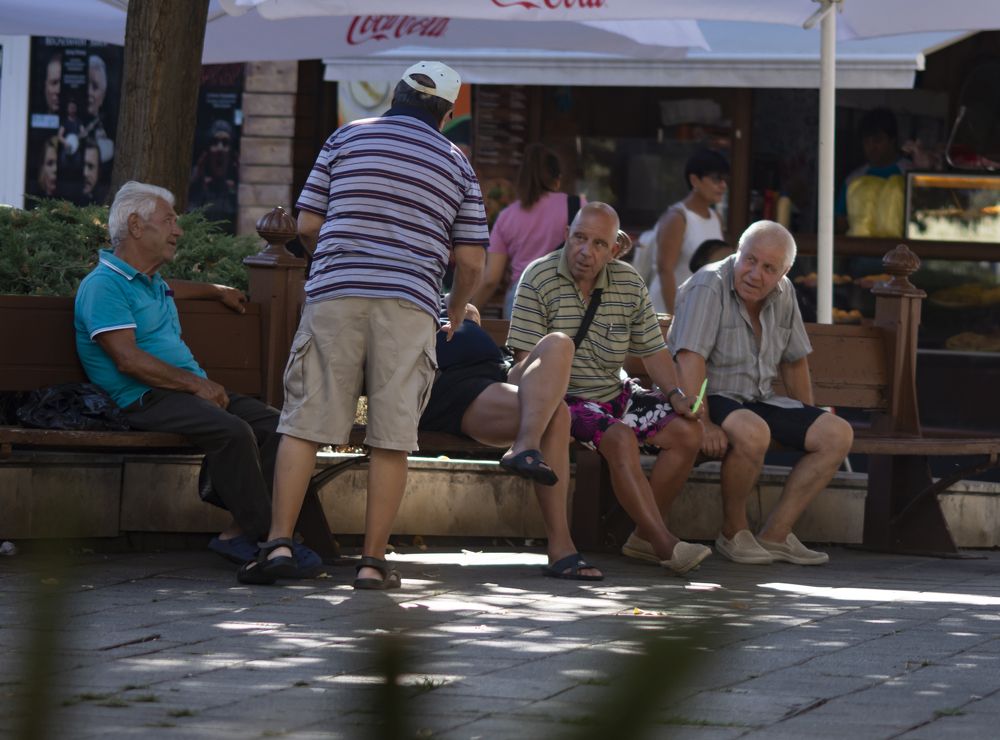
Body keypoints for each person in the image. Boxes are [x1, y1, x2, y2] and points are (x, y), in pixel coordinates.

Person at [243, 61, 488, 589]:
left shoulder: (346, 137)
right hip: (409, 305)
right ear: (445, 114)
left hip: (335, 293)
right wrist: (454, 306)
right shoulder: (457, 165)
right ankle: (373, 563)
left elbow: (308, 223)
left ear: (395, 96)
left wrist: (335, 256)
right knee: (392, 437)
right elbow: (470, 261)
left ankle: (279, 544)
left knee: (303, 423)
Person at [73, 181, 320, 575]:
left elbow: (172, 290)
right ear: (136, 226)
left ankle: (240, 533)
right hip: (142, 398)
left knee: (280, 426)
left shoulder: (148, 281)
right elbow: (128, 360)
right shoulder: (103, 286)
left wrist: (214, 290)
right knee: (234, 431)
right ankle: (269, 541)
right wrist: (197, 384)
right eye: (169, 220)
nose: (178, 230)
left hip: (182, 392)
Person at [509, 203, 709, 576]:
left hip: (614, 391)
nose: (586, 251)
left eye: (599, 244)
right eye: (580, 238)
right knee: (618, 437)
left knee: (688, 432)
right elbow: (527, 362)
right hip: (562, 399)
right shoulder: (538, 276)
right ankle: (664, 542)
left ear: (614, 249)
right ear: (567, 233)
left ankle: (643, 536)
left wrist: (677, 396)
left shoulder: (629, 282)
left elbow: (653, 351)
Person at [668, 220, 854, 566]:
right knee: (753, 432)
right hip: (712, 393)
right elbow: (688, 358)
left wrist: (806, 419)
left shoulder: (784, 293)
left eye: (769, 268)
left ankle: (776, 535)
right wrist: (703, 422)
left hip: (759, 398)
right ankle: (733, 532)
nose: (755, 273)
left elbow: (795, 362)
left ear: (783, 271)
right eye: (750, 260)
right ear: (738, 253)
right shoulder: (709, 284)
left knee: (836, 432)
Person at [420, 302, 602, 580]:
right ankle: (561, 548)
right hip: (452, 388)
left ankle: (525, 444)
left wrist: (466, 315)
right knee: (557, 414)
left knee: (559, 342)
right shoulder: (404, 301)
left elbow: (469, 321)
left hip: (496, 373)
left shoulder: (456, 302)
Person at [471, 143, 584, 318]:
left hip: (521, 301)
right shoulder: (578, 208)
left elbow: (491, 279)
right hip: (567, 300)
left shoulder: (507, 217)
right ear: (557, 179)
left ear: (522, 180)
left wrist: (465, 313)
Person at [649, 149, 729, 314]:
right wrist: (674, 318)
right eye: (716, 179)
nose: (723, 185)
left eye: (724, 179)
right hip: (668, 311)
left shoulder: (716, 218)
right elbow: (665, 270)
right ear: (694, 180)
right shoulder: (677, 217)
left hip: (700, 309)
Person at [835, 108, 907, 238]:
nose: (872, 147)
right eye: (866, 142)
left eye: (878, 141)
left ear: (892, 140)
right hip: (861, 255)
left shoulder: (909, 173)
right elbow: (841, 223)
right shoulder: (854, 180)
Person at [189, 120, 239, 228]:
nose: (220, 149)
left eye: (225, 143)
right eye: (214, 142)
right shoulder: (195, 188)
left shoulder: (237, 191)